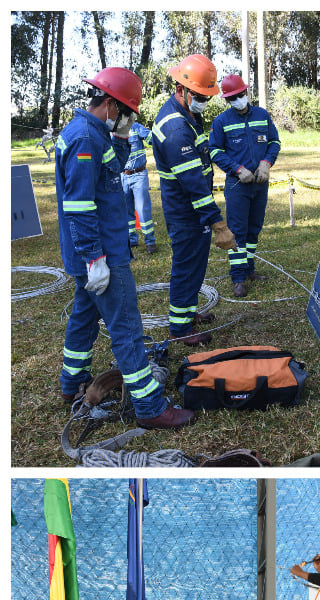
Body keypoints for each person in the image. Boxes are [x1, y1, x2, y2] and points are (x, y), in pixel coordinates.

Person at [54, 67, 193, 429]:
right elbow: (80, 205)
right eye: (127, 113)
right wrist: (95, 258)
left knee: (84, 318)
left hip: (95, 252)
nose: (129, 120)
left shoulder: (90, 132)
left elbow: (109, 176)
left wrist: (121, 136)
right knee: (127, 328)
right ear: (112, 107)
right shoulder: (86, 138)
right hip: (102, 254)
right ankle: (150, 407)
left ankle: (72, 383)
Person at [151, 54, 236, 346]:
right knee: (187, 266)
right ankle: (180, 329)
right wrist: (219, 225)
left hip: (194, 209)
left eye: (206, 97)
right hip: (185, 210)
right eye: (199, 95)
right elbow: (194, 186)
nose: (203, 101)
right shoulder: (175, 129)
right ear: (181, 89)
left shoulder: (189, 114)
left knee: (196, 264)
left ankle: (187, 312)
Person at [209, 74, 280, 298]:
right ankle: (238, 277)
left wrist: (266, 163)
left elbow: (274, 142)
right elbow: (215, 151)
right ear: (227, 100)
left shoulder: (262, 115)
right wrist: (237, 169)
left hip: (260, 184)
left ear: (246, 92)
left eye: (240, 95)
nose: (238, 100)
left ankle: (249, 269)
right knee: (238, 232)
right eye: (232, 98)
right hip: (237, 185)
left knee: (253, 229)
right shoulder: (221, 122)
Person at [121, 120, 157, 254]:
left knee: (142, 209)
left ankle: (150, 242)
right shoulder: (113, 132)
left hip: (139, 174)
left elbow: (153, 138)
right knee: (126, 210)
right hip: (122, 175)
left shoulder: (135, 127)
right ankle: (131, 240)